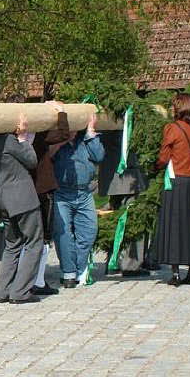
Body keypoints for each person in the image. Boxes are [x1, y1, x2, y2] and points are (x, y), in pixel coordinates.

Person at [0, 116, 44, 304]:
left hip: (1, 200)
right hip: (22, 199)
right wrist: (22, 138)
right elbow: (31, 160)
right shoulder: (9, 141)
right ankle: (21, 292)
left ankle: (3, 291)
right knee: (34, 242)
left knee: (12, 245)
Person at [152, 93, 190, 285]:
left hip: (177, 183)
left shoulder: (173, 128)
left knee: (175, 226)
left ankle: (175, 273)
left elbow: (163, 157)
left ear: (178, 108)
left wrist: (155, 167)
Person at [52, 114, 104, 288]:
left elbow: (99, 156)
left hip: (84, 193)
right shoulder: (57, 141)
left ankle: (79, 268)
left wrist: (91, 133)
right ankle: (68, 272)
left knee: (89, 231)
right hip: (62, 193)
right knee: (64, 233)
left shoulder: (85, 140)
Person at [30, 111, 71, 294]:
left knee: (26, 238)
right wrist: (61, 113)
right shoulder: (38, 133)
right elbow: (63, 134)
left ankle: (25, 280)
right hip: (42, 189)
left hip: (27, 190)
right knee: (44, 236)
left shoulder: (11, 137)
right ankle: (37, 281)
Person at [106, 135, 151, 276]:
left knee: (115, 222)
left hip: (112, 177)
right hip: (129, 178)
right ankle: (130, 265)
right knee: (135, 221)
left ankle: (113, 261)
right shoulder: (129, 119)